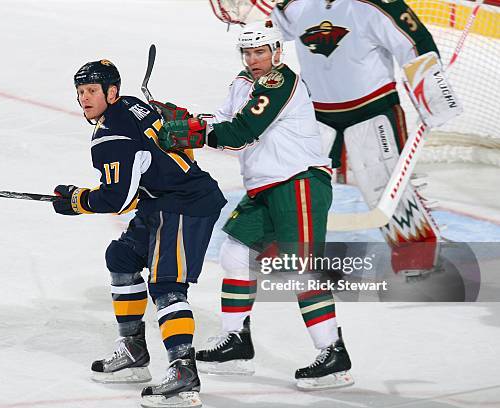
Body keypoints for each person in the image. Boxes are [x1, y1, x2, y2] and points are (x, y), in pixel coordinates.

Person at [154, 21, 354, 390]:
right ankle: (236, 342)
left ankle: (333, 354)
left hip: (299, 183)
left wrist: (192, 134)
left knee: (302, 270)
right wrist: (186, 118)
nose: (254, 59)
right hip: (266, 188)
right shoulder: (243, 82)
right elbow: (224, 122)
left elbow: (242, 133)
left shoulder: (280, 83)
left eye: (260, 51)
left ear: (276, 52)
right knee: (235, 254)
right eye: (248, 52)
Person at [52, 59, 226, 408]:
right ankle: (133, 349)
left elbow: (117, 198)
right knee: (122, 256)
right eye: (80, 92)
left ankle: (183, 373)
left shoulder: (109, 137)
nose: (85, 98)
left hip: (182, 203)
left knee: (166, 285)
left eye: (91, 91)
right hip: (162, 199)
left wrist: (76, 200)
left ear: (111, 92)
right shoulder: (134, 104)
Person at [269, 0, 461, 277]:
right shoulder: (297, 5)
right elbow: (274, 29)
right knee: (294, 180)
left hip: (373, 109)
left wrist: (430, 84)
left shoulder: (379, 5)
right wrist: (254, 19)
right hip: (316, 111)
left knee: (383, 182)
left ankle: (417, 256)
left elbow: (414, 41)